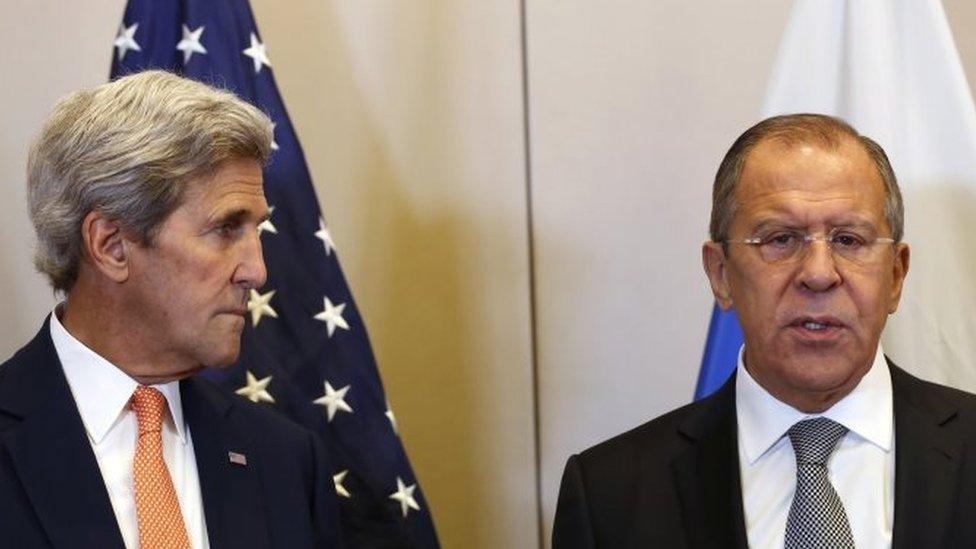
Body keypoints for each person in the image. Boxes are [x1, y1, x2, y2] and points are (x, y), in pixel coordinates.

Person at [552, 113, 976, 548]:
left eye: (848, 239)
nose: (818, 273)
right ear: (721, 275)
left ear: (895, 277)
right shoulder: (609, 496)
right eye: (780, 239)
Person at [0, 71, 342, 548]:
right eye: (226, 228)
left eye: (256, 231)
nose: (257, 272)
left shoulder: (285, 460)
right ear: (112, 246)